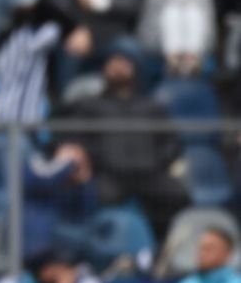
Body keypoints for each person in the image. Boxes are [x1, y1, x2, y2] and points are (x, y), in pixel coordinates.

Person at [67, 50, 185, 235]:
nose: (118, 68)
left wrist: (158, 162)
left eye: (124, 63)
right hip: (109, 175)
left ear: (135, 69)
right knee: (93, 196)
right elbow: (76, 139)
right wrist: (94, 160)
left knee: (177, 194)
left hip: (149, 174)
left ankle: (162, 247)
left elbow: (171, 142)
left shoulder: (151, 106)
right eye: (113, 63)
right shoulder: (90, 105)